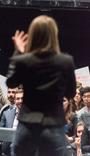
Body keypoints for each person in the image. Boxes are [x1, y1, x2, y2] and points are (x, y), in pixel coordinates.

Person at [6, 15, 76, 156]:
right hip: (54, 126)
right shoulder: (66, 61)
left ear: (32, 35)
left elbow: (11, 82)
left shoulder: (24, 60)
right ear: (54, 35)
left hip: (27, 125)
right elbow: (71, 93)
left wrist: (19, 52)